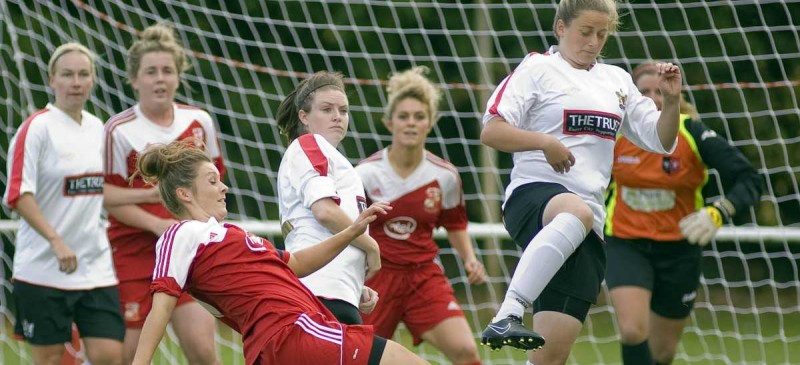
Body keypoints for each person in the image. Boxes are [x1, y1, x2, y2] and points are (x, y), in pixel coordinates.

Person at [478, 0, 684, 364]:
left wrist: (670, 102)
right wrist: (544, 142)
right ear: (560, 28)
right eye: (585, 32)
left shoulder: (617, 81)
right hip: (535, 196)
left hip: (589, 226)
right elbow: (491, 131)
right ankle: (507, 313)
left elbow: (661, 141)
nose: (593, 41)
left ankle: (513, 316)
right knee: (574, 212)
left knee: (550, 356)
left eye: (602, 34)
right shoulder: (537, 68)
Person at [128, 140, 430, 365]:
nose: (224, 188)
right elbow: (162, 307)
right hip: (293, 334)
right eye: (212, 180)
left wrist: (351, 232)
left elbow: (295, 264)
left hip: (286, 341)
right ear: (184, 194)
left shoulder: (230, 237)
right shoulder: (182, 234)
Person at [604, 61, 762, 365]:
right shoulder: (616, 134)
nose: (653, 98)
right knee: (633, 329)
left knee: (662, 352)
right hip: (625, 241)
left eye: (659, 91)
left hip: (679, 250)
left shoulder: (692, 133)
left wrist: (718, 212)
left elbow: (750, 180)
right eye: (644, 92)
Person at [103, 24, 222, 365]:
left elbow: (213, 183)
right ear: (134, 79)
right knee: (131, 358)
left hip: (188, 248)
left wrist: (200, 230)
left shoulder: (199, 122)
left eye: (167, 70)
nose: (160, 79)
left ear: (178, 76)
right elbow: (107, 196)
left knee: (203, 351)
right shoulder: (118, 130)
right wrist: (156, 223)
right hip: (136, 252)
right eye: (151, 71)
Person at [2, 42, 123, 365]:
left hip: (94, 267)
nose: (76, 82)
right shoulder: (37, 128)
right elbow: (17, 196)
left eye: (84, 74)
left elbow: (104, 191)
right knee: (50, 360)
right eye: (67, 74)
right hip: (43, 269)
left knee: (110, 356)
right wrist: (56, 241)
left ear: (93, 80)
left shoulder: (98, 128)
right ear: (52, 79)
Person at [356, 67, 485, 365]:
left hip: (423, 276)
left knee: (466, 351)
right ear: (389, 122)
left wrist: (469, 258)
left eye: (419, 116)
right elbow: (349, 228)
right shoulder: (364, 174)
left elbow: (454, 222)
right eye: (403, 116)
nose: (411, 123)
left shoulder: (445, 176)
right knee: (357, 358)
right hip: (377, 277)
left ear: (430, 123)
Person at [276, 71, 382, 325]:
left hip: (332, 294)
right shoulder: (310, 144)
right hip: (319, 294)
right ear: (304, 116)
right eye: (327, 109)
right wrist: (371, 246)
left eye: (343, 110)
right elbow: (324, 211)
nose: (337, 116)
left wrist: (354, 285)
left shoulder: (332, 158)